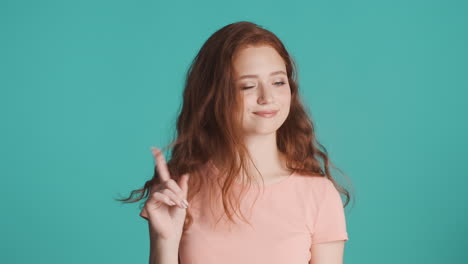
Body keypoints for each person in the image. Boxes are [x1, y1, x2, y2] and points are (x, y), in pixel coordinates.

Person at [118, 21, 353, 264]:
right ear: (213, 96)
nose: (267, 97)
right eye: (248, 86)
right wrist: (164, 242)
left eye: (278, 82)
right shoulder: (182, 191)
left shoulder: (319, 195)